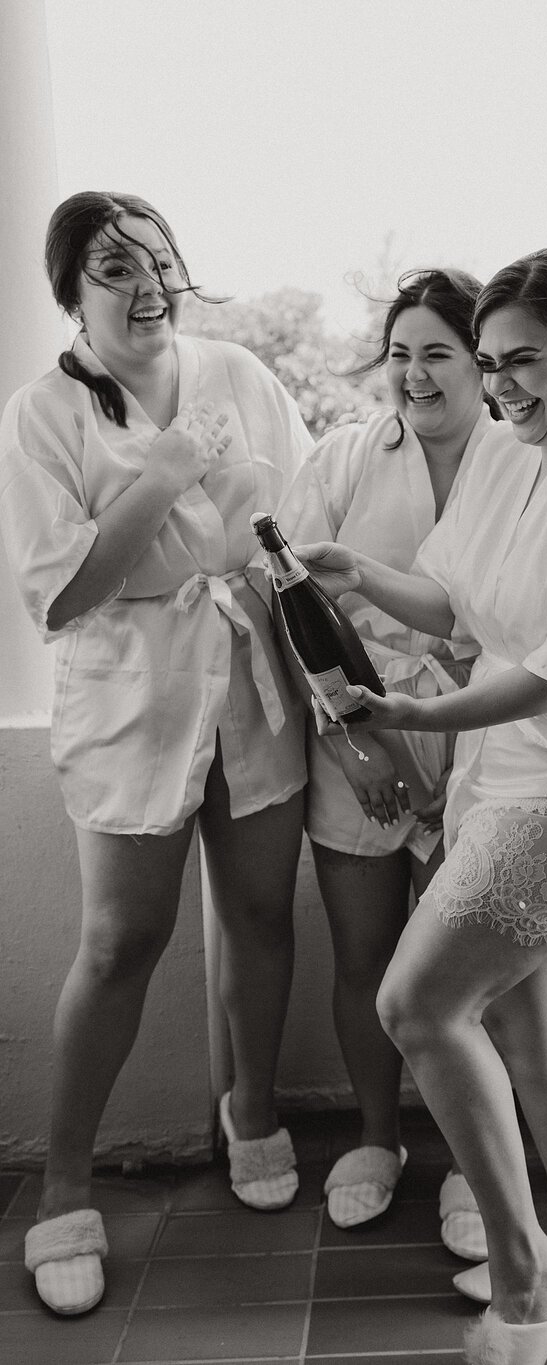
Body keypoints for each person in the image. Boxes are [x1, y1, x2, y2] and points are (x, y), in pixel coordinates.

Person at [296, 248, 547, 1364]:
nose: (504, 383)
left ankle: (529, 1273)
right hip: (509, 771)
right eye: (492, 363)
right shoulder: (513, 455)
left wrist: (415, 723)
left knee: (418, 1007)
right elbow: (459, 606)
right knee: (526, 1025)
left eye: (525, 361)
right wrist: (357, 576)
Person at [0, 192, 313, 1316]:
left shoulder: (242, 374)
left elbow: (304, 513)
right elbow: (65, 592)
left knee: (263, 915)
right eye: (113, 267)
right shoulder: (43, 415)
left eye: (161, 264)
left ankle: (255, 1111)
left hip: (255, 679)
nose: (145, 287)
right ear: (70, 293)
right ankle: (65, 1187)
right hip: (134, 696)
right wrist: (169, 470)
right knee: (123, 939)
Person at [278, 269, 493, 1257]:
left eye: (435, 353)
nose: (412, 374)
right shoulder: (346, 457)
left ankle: (466, 1162)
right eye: (399, 353)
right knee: (365, 955)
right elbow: (286, 606)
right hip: (356, 737)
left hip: (489, 742)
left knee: (470, 975)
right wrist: (352, 741)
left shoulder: (523, 462)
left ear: (481, 359)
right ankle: (375, 1139)